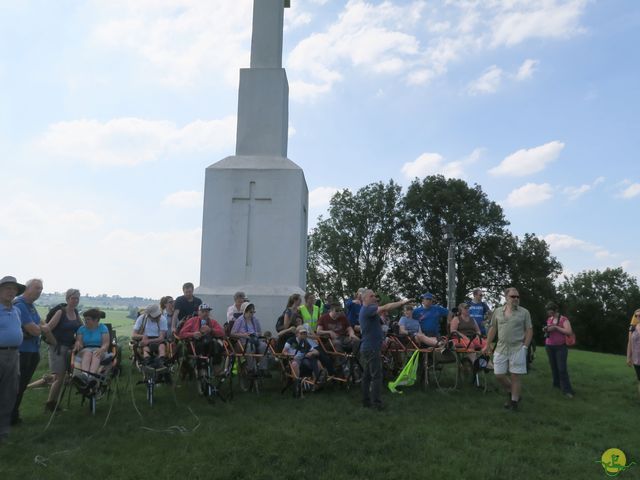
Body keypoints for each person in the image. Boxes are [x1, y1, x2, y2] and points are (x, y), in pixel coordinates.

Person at [482, 287, 533, 411]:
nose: (516, 299)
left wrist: (525, 347)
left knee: (515, 376)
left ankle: (514, 402)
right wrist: (487, 344)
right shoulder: (498, 311)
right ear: (506, 297)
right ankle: (512, 391)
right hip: (501, 348)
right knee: (498, 374)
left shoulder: (524, 312)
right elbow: (493, 328)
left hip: (517, 348)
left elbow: (529, 330)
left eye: (517, 297)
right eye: (513, 296)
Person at [359, 289, 410, 410]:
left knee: (367, 376)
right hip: (371, 348)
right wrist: (402, 302)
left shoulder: (368, 310)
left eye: (374, 296)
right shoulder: (367, 309)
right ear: (364, 299)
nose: (374, 298)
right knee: (376, 376)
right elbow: (386, 307)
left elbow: (383, 311)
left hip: (368, 347)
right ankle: (377, 404)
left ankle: (366, 402)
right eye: (371, 296)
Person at [12, 278, 49, 426]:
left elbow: (39, 324)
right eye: (37, 288)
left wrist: (40, 328)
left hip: (32, 350)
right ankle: (10, 416)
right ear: (27, 288)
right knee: (15, 386)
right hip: (22, 352)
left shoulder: (31, 306)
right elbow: (34, 329)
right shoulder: (20, 304)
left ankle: (13, 415)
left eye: (41, 289)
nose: (39, 291)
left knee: (22, 385)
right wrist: (42, 329)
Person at [45, 288, 83, 412]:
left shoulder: (76, 313)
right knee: (59, 377)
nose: (75, 300)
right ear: (67, 299)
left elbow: (81, 329)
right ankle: (51, 404)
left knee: (63, 377)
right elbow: (47, 328)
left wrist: (78, 341)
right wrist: (54, 343)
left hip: (69, 349)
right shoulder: (61, 313)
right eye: (73, 298)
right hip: (57, 348)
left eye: (77, 298)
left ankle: (53, 403)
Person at [0, 276, 25, 443]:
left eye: (14, 289)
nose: (11, 291)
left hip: (14, 355)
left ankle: (2, 433)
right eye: (7, 288)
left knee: (9, 394)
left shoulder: (17, 311)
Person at [543, 302, 575, 398]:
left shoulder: (563, 319)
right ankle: (556, 386)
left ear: (555, 310)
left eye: (550, 310)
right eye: (548, 311)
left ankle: (567, 390)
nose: (548, 313)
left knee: (562, 369)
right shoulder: (549, 319)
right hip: (549, 346)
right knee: (554, 368)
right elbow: (549, 329)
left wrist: (556, 327)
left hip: (560, 347)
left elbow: (569, 331)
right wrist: (546, 329)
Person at [230, 302, 269, 375]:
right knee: (250, 347)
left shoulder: (255, 320)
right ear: (245, 311)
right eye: (251, 312)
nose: (252, 314)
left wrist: (255, 334)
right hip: (243, 341)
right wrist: (243, 335)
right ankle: (250, 369)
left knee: (264, 346)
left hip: (254, 339)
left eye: (253, 312)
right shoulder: (239, 320)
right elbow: (232, 333)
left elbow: (260, 333)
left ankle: (263, 369)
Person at [74, 309, 110, 376]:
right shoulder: (81, 329)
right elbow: (80, 343)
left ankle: (91, 375)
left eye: (88, 319)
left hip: (99, 349)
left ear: (96, 320)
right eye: (85, 319)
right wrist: (78, 343)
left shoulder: (103, 328)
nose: (85, 321)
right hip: (85, 349)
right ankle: (85, 374)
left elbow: (106, 343)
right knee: (88, 352)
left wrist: (102, 349)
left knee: (96, 353)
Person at [626, 308, 640, 401]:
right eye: (636, 315)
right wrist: (628, 357)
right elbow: (630, 343)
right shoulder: (633, 327)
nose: (638, 317)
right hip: (637, 360)